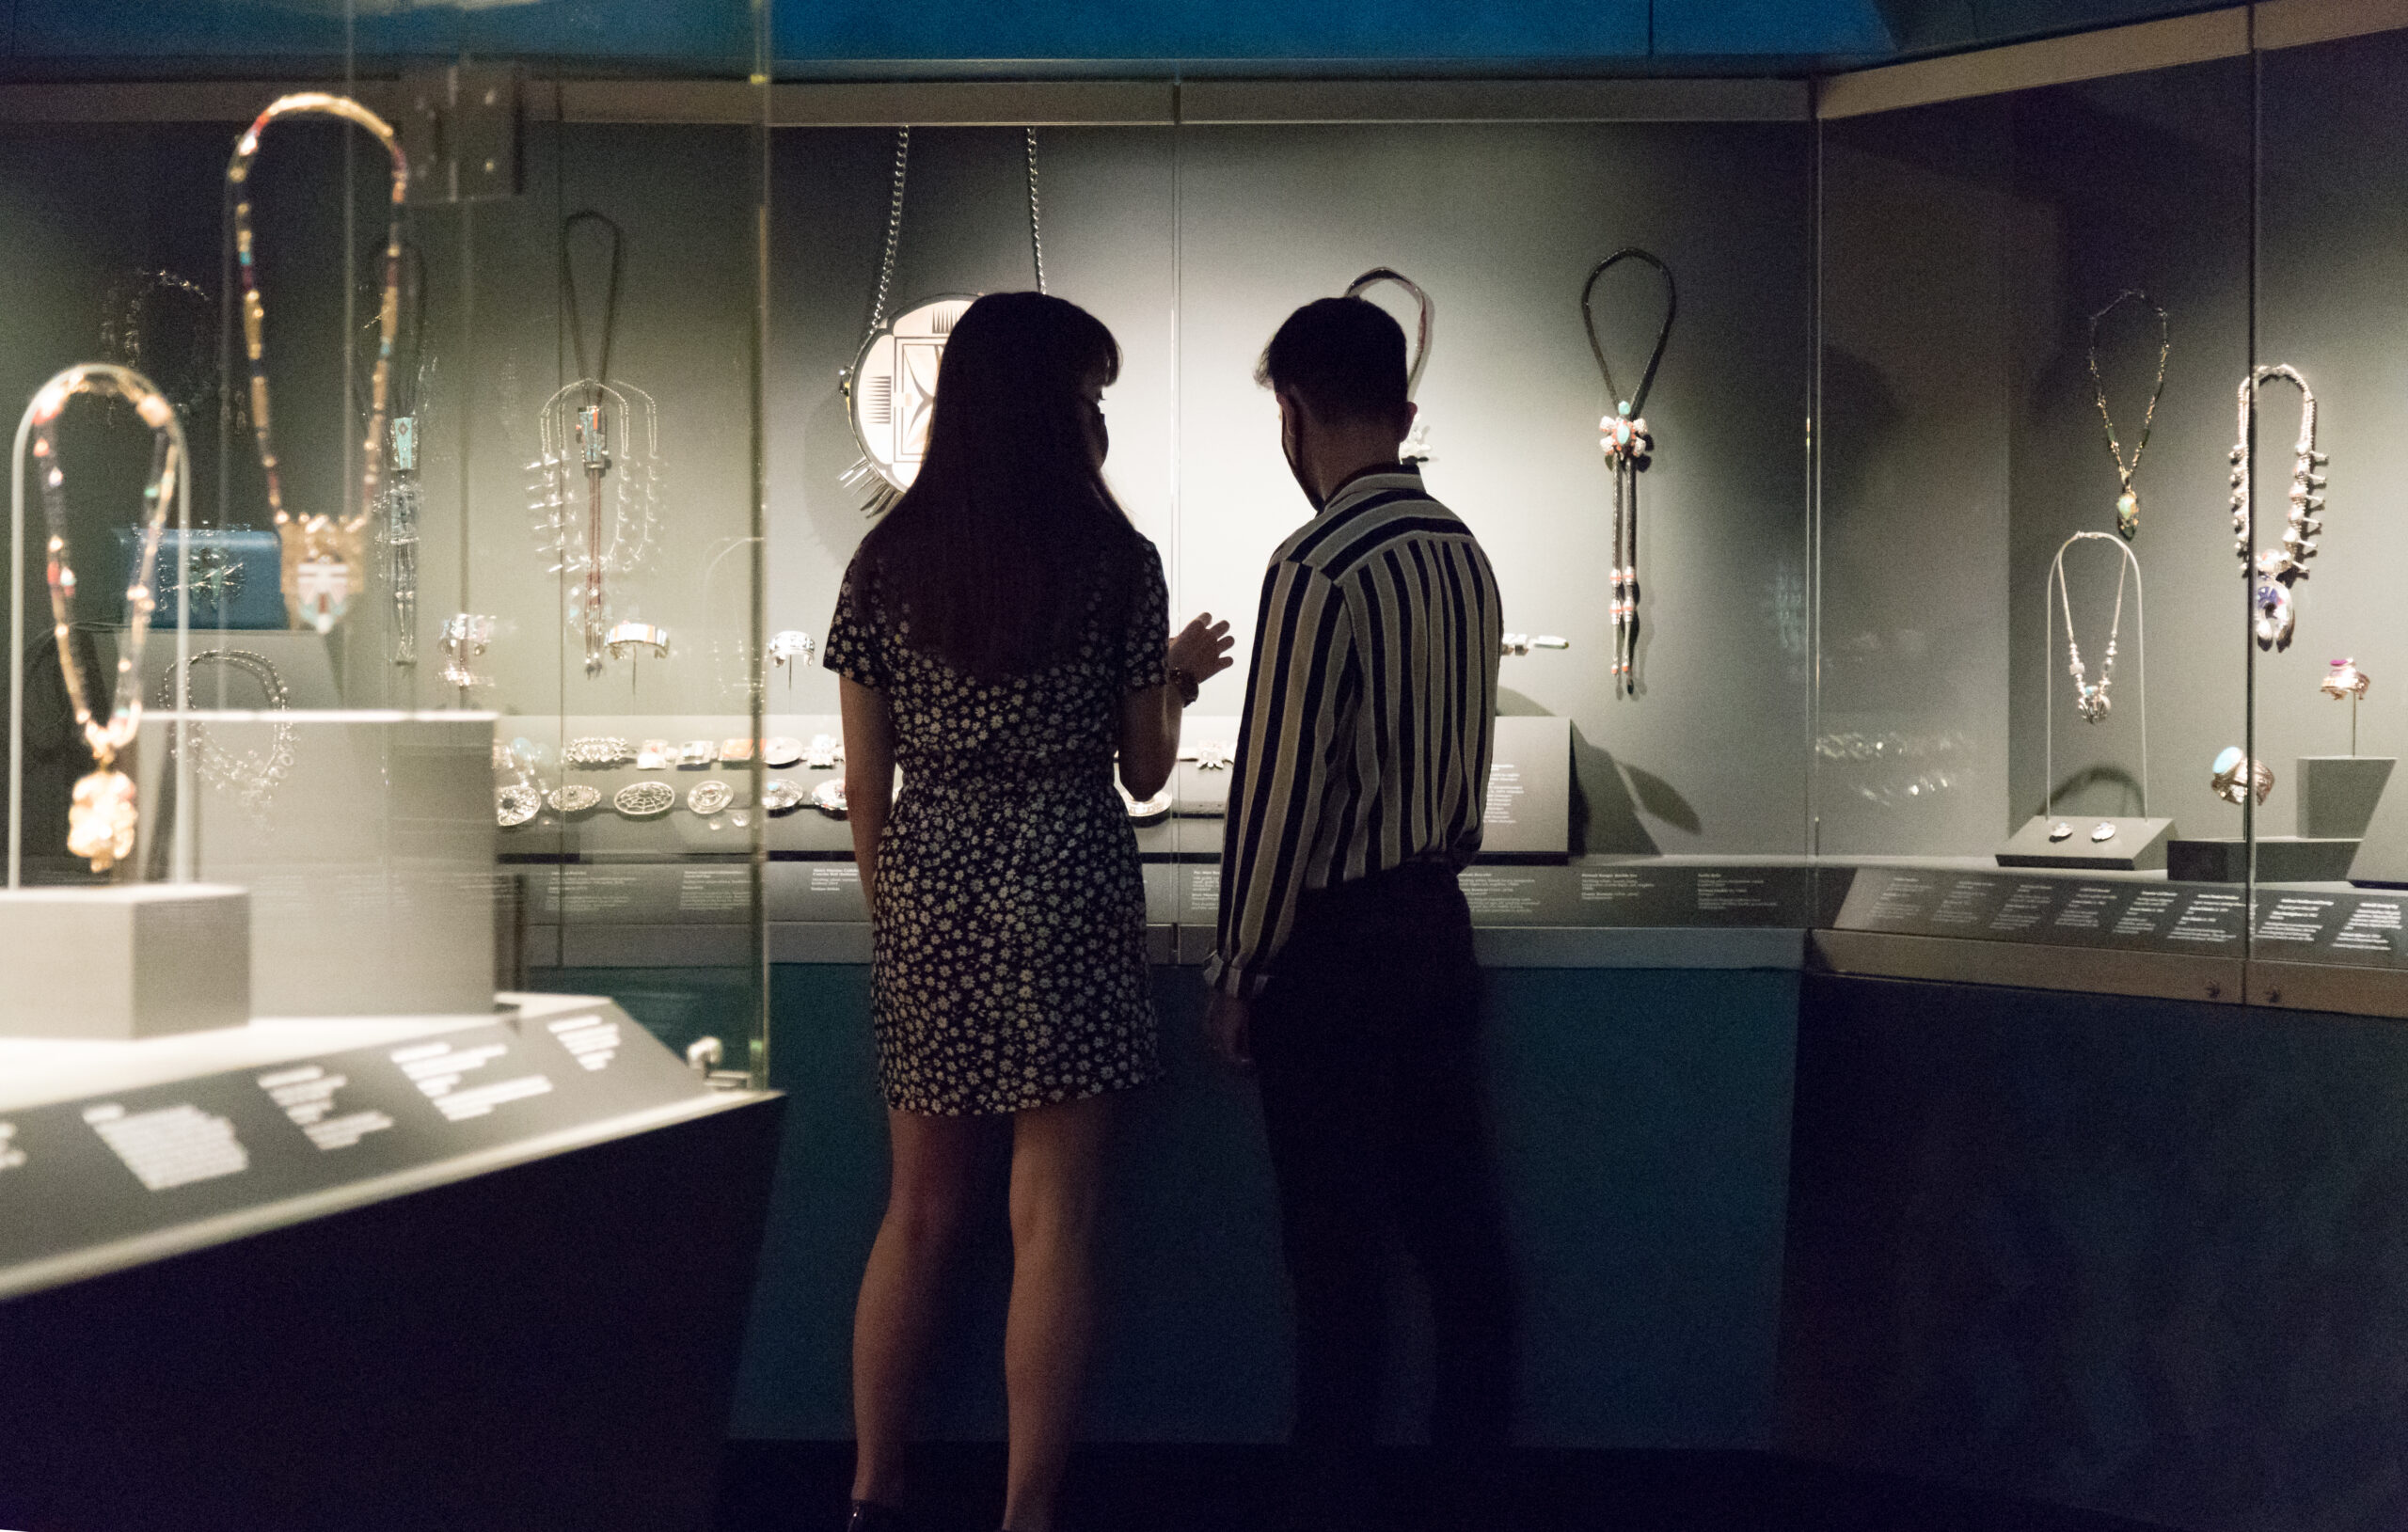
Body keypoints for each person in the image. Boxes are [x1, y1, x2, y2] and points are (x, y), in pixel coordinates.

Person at [826, 291, 1234, 1532]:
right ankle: (1025, 1515)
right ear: (1057, 407)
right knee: (1051, 1214)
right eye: (1090, 394)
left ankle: (871, 1488)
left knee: (918, 1208)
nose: (1097, 416)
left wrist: (896, 913)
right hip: (1066, 871)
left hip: (931, 875)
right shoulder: (1117, 562)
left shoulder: (885, 559)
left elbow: (859, 780)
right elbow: (1148, 768)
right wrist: (1169, 679)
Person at [1203, 294, 1513, 1530]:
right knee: (1459, 1235)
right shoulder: (1463, 551)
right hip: (1437, 922)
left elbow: (1278, 795)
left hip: (1334, 952)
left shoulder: (1316, 567)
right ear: (1405, 409)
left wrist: (1239, 967)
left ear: (1291, 410)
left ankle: (1332, 1495)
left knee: (1335, 1257)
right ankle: (1471, 1485)